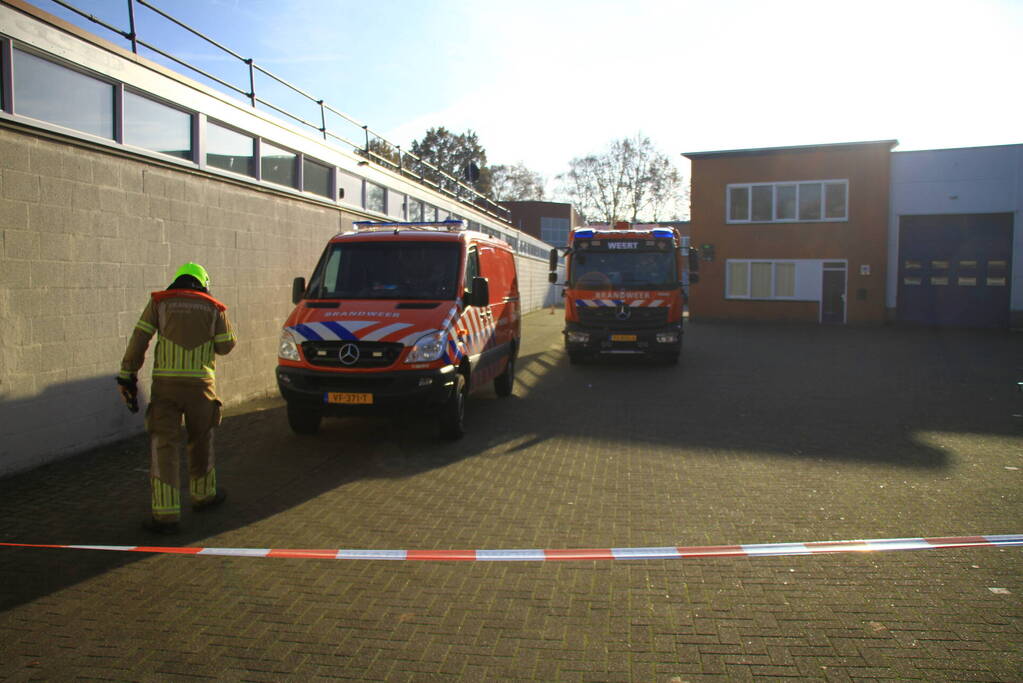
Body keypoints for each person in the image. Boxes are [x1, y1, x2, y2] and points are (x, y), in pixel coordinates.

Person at [118, 263, 236, 535]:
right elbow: (226, 346)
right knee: (201, 440)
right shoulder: (214, 308)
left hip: (165, 389)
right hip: (201, 389)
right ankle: (203, 496)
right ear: (204, 283)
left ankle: (166, 515)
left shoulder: (159, 303)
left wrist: (127, 375)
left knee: (164, 446)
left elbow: (140, 338)